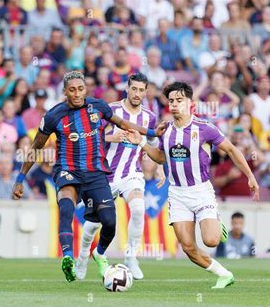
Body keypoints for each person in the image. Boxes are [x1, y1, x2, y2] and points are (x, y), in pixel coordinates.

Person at [12, 71, 166, 282]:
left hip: (96, 173)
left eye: (81, 89)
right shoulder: (53, 115)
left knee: (108, 222)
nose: (77, 94)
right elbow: (35, 147)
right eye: (72, 90)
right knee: (66, 207)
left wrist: (152, 133)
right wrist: (20, 178)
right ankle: (69, 257)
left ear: (86, 89)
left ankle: (100, 253)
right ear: (65, 91)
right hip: (68, 170)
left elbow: (124, 124)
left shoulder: (98, 107)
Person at [126, 81, 260, 289]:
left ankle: (215, 221)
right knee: (188, 247)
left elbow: (232, 150)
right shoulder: (166, 131)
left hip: (201, 191)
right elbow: (161, 158)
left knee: (212, 241)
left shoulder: (204, 128)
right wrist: (142, 143)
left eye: (179, 100)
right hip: (177, 194)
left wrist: (250, 176)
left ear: (190, 103)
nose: (174, 104)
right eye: (171, 101)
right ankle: (224, 274)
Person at [75, 73, 158, 281]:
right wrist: (111, 137)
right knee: (93, 224)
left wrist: (161, 169)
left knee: (138, 209)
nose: (137, 93)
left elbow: (154, 146)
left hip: (132, 173)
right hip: (106, 174)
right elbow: (88, 135)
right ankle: (83, 257)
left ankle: (131, 256)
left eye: (141, 90)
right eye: (134, 89)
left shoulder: (149, 117)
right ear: (127, 89)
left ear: (145, 92)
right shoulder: (110, 110)